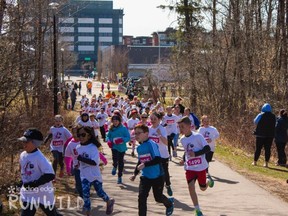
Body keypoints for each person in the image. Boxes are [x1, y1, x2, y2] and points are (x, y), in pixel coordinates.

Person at [129, 124, 174, 216]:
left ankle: (169, 204)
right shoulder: (139, 147)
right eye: (135, 133)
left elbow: (158, 159)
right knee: (141, 198)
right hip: (145, 177)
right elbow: (140, 161)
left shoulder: (151, 144)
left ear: (146, 134)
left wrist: (145, 165)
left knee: (158, 198)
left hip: (157, 176)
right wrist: (135, 173)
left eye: (139, 133)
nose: (136, 135)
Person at [17, 128, 62, 216]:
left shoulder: (40, 158)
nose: (23, 143)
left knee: (53, 214)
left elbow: (50, 175)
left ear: (35, 143)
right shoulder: (23, 155)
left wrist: (34, 184)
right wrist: (21, 183)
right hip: (28, 194)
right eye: (23, 141)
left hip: (43, 193)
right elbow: (24, 172)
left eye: (26, 142)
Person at [178, 117, 214, 216]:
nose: (181, 129)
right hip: (190, 167)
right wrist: (183, 159)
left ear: (190, 126)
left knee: (202, 188)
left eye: (182, 127)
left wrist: (196, 154)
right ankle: (197, 210)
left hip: (200, 167)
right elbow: (187, 152)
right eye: (179, 127)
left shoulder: (198, 136)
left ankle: (208, 180)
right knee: (190, 187)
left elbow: (207, 148)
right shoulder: (182, 139)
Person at [76, 126, 115, 216]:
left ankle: (109, 201)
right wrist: (77, 164)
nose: (81, 137)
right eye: (79, 135)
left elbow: (94, 162)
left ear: (89, 136)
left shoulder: (93, 147)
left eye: (83, 135)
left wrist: (81, 158)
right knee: (85, 195)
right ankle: (88, 213)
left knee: (100, 192)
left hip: (94, 175)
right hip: (84, 175)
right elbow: (78, 160)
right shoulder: (78, 147)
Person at [148, 112, 173, 196]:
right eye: (151, 119)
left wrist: (159, 135)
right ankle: (159, 192)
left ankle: (168, 185)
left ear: (159, 120)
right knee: (157, 174)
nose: (153, 121)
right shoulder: (149, 129)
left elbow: (166, 143)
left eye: (155, 119)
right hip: (153, 156)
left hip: (163, 155)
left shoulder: (162, 129)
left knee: (165, 172)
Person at [44, 115, 72, 179]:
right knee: (55, 159)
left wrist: (69, 145)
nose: (58, 122)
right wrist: (45, 140)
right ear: (54, 121)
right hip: (54, 146)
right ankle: (53, 175)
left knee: (60, 161)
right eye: (56, 121)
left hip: (61, 147)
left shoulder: (64, 129)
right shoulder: (52, 128)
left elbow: (70, 137)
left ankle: (62, 168)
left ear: (62, 122)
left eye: (59, 121)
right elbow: (49, 135)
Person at [106, 115, 130, 184]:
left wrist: (122, 140)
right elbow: (108, 136)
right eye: (113, 121)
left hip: (122, 148)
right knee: (115, 158)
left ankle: (119, 176)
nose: (115, 122)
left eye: (116, 121)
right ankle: (114, 166)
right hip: (114, 147)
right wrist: (109, 141)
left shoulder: (124, 128)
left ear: (119, 121)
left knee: (120, 162)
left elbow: (128, 137)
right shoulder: (111, 129)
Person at [252, 103, 276, 167]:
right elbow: (275, 125)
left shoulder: (260, 115)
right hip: (270, 135)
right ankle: (266, 163)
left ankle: (255, 162)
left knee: (258, 149)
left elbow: (255, 121)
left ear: (263, 108)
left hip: (260, 135)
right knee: (268, 149)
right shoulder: (273, 116)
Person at [64, 124, 83, 198]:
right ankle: (83, 198)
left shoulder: (84, 141)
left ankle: (85, 192)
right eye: (73, 132)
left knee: (86, 182)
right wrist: (68, 168)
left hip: (87, 166)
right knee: (78, 183)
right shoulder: (70, 144)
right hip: (77, 167)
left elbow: (93, 150)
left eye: (77, 132)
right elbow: (67, 157)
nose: (75, 134)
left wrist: (102, 158)